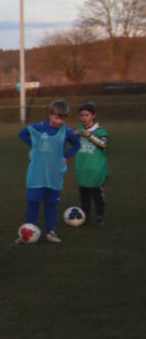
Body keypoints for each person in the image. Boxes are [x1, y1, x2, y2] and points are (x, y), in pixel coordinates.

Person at [19, 99, 80, 243]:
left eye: (63, 118)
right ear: (50, 114)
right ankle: (28, 231)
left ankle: (51, 231)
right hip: (37, 173)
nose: (59, 121)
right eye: (56, 117)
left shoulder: (67, 131)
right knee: (33, 202)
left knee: (51, 203)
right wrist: (34, 145)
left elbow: (77, 145)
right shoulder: (40, 127)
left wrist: (66, 156)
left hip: (54, 174)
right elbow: (22, 134)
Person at [74, 102, 108, 225]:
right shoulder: (80, 128)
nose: (84, 118)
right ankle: (85, 215)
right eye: (81, 115)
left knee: (96, 193)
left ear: (94, 115)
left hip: (95, 168)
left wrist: (90, 136)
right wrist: (73, 134)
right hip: (82, 167)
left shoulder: (100, 130)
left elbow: (103, 144)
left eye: (87, 115)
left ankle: (99, 215)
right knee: (84, 194)